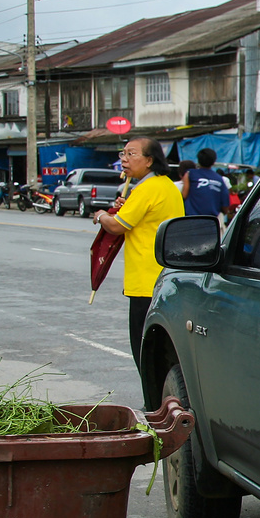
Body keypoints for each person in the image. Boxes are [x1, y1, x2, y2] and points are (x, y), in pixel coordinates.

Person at [92, 137, 185, 364]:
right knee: (164, 351)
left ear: (149, 161)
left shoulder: (146, 189)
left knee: (144, 350)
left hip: (146, 281)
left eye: (131, 154)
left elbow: (117, 225)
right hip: (167, 277)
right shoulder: (167, 186)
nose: (124, 159)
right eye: (123, 153)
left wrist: (101, 215)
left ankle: (151, 400)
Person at [180, 147, 233, 223]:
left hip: (191, 219)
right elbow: (225, 206)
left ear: (198, 160)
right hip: (211, 221)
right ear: (214, 162)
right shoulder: (219, 179)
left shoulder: (190, 174)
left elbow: (183, 195)